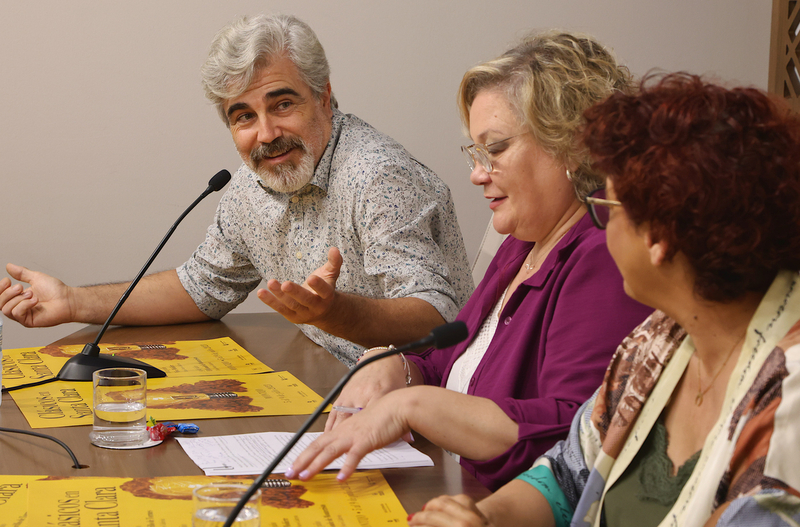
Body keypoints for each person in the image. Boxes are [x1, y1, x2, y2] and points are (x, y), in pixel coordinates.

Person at [406, 73, 800, 526]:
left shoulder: (789, 398)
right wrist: (484, 517)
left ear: (658, 238)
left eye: (606, 207)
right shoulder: (657, 340)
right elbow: (567, 476)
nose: (598, 224)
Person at [286, 31, 653, 491]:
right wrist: (397, 366)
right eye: (476, 153)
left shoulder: (603, 254)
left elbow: (576, 435)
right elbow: (452, 364)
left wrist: (412, 405)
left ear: (573, 145)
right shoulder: (525, 241)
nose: (478, 174)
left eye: (495, 149)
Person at [0, 14, 472, 367]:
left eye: (281, 103)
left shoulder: (377, 176)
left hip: (427, 406)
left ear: (324, 96)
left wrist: (337, 313)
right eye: (243, 116)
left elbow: (437, 320)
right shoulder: (253, 185)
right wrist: (72, 302)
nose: (265, 134)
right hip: (334, 384)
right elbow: (202, 287)